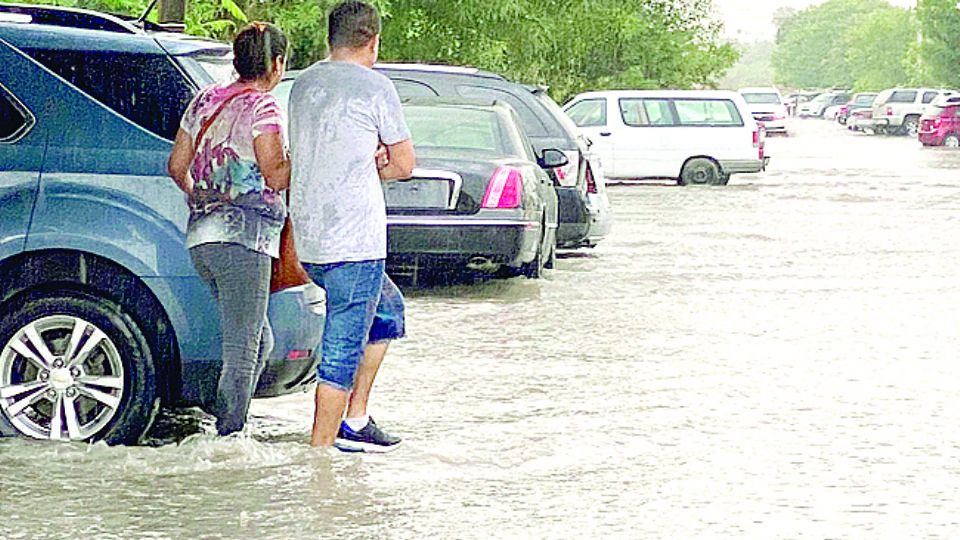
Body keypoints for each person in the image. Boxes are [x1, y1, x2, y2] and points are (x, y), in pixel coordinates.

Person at [287, 0, 415, 452]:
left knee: (388, 312)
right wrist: (375, 163)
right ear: (373, 41)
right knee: (341, 348)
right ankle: (320, 459)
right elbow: (405, 164)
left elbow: (316, 151)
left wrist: (364, 157)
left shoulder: (303, 84)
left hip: (311, 237)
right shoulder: (375, 87)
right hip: (354, 240)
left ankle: (356, 420)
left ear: (330, 38)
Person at [167, 22, 290, 436]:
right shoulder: (264, 107)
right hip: (245, 241)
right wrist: (309, 160)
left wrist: (202, 197)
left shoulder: (203, 100)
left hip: (202, 241)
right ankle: (229, 435)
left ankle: (222, 419)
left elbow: (176, 167)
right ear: (276, 63)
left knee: (261, 340)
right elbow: (275, 174)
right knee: (243, 347)